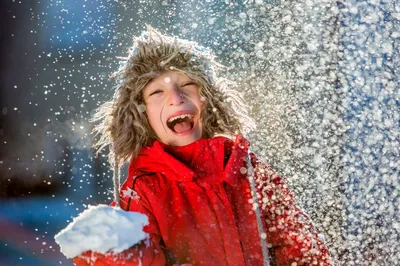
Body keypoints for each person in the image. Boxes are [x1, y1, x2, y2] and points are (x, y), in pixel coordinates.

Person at [72, 26, 333, 266]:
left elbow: (305, 252)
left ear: (206, 99)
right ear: (142, 115)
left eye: (187, 84)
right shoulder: (143, 190)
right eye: (156, 92)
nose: (176, 97)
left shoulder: (248, 172)